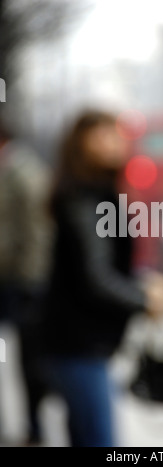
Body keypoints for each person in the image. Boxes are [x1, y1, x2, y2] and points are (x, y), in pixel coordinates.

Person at [43, 110, 163, 447]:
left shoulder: (99, 194)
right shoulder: (86, 200)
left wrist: (144, 283)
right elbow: (96, 278)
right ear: (80, 145)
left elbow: (108, 267)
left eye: (116, 135)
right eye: (102, 136)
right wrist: (146, 298)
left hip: (78, 344)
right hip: (79, 346)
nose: (115, 143)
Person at [0, 121, 52, 444]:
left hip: (21, 280)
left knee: (29, 359)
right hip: (6, 276)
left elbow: (36, 232)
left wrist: (33, 280)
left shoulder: (24, 173)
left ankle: (34, 426)